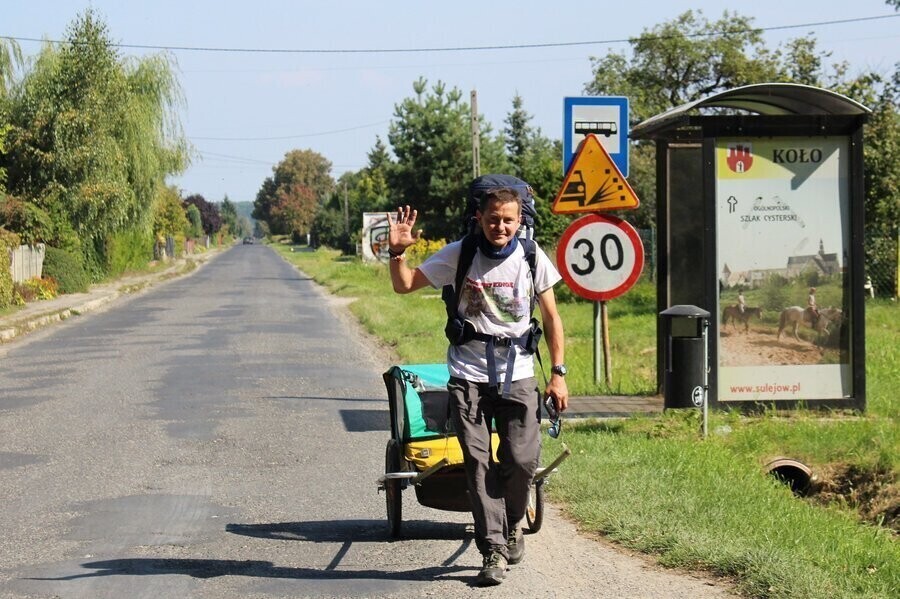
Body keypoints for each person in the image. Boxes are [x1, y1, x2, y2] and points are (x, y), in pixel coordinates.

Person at [387, 186, 568, 586]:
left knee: (522, 460)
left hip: (518, 374)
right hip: (468, 375)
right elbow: (404, 285)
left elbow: (552, 318)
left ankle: (512, 523)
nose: (500, 227)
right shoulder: (459, 253)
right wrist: (397, 253)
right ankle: (493, 549)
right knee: (477, 461)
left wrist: (558, 373)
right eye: (493, 219)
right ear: (479, 219)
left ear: (519, 221)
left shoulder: (532, 256)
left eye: (508, 220)